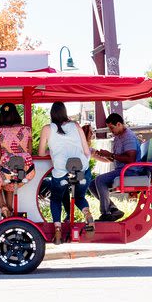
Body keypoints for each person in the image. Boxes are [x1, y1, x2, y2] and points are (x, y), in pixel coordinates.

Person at [38, 102, 94, 244]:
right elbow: (87, 151)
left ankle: (57, 229)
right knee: (79, 196)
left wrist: (53, 152)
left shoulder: (46, 129)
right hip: (81, 168)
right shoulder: (75, 125)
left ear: (51, 114)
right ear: (64, 112)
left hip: (61, 171)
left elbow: (40, 152)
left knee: (56, 199)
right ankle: (88, 215)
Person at [0, 103, 35, 218]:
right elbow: (30, 152)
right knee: (10, 182)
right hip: (28, 171)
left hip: (7, 172)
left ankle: (3, 207)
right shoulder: (27, 129)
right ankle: (10, 211)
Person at [89, 113, 140, 221]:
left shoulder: (128, 137)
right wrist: (105, 155)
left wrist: (110, 155)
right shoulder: (118, 137)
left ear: (119, 124)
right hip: (121, 170)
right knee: (92, 184)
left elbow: (131, 159)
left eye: (112, 128)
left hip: (130, 171)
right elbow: (117, 157)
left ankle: (105, 214)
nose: (111, 131)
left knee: (100, 180)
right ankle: (113, 209)